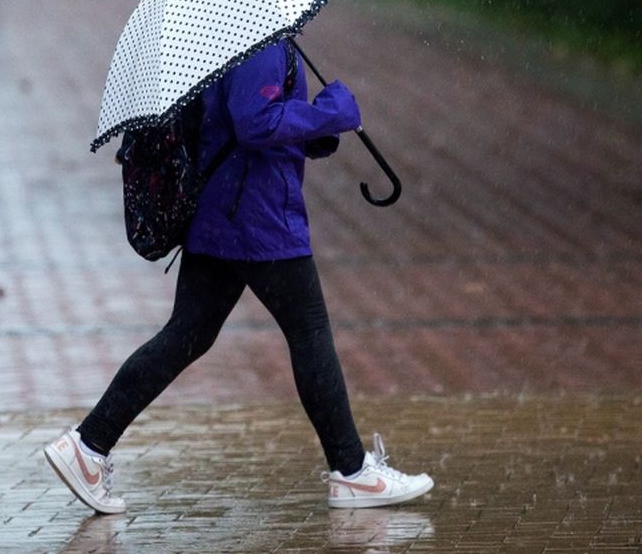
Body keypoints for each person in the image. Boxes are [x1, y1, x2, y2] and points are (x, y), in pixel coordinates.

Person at [45, 39, 433, 514]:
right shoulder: (259, 45)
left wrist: (320, 128)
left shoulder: (240, 38)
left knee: (187, 334)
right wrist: (329, 115)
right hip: (257, 216)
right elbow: (255, 122)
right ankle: (352, 472)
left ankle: (88, 446)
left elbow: (246, 118)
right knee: (309, 330)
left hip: (221, 212)